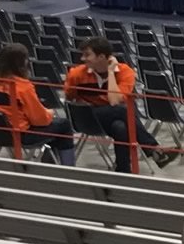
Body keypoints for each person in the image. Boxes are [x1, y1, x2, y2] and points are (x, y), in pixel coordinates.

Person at [63, 38, 171, 172]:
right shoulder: (76, 74)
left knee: (120, 127)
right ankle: (153, 148)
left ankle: (123, 170)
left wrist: (111, 73)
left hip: (108, 119)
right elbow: (69, 98)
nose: (83, 58)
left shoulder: (125, 72)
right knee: (122, 110)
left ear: (101, 56)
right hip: (86, 118)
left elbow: (113, 100)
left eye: (87, 55)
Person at [0, 44, 74, 163]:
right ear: (23, 63)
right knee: (63, 125)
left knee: (54, 130)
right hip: (20, 136)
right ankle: (68, 167)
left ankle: (52, 163)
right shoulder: (23, 87)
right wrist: (50, 113)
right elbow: (39, 120)